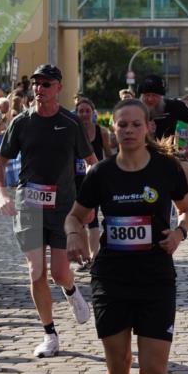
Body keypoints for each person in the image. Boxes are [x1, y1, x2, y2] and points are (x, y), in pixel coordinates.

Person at [65, 98, 188, 374]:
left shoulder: (167, 169)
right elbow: (74, 218)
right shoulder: (101, 174)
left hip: (155, 277)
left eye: (136, 124)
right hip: (112, 278)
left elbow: (187, 209)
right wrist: (74, 235)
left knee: (155, 366)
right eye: (122, 124)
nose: (129, 130)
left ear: (148, 128)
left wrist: (180, 234)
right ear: (114, 129)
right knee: (117, 362)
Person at [0, 64, 98, 358]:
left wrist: (89, 201)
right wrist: (2, 194)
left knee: (60, 272)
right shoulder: (22, 122)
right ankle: (50, 334)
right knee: (35, 271)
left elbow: (92, 162)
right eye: (36, 84)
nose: (39, 89)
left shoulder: (71, 122)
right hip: (29, 204)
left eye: (46, 84)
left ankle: (72, 291)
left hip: (63, 206)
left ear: (58, 88)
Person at [74, 96, 113, 264]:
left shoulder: (101, 132)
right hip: (74, 179)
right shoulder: (71, 131)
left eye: (87, 111)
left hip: (96, 178)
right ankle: (85, 256)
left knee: (93, 216)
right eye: (81, 111)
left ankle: (95, 255)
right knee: (78, 218)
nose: (84, 114)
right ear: (76, 113)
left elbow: (109, 155)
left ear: (93, 112)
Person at [138, 74, 188, 161]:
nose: (150, 99)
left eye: (154, 95)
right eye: (147, 95)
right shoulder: (134, 109)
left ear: (161, 96)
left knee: (186, 172)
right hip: (139, 158)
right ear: (141, 95)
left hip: (167, 158)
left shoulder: (174, 106)